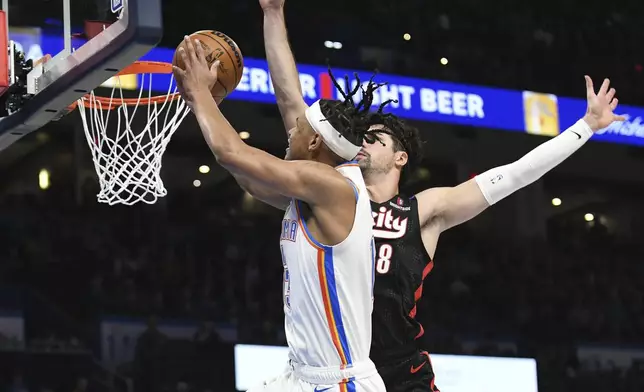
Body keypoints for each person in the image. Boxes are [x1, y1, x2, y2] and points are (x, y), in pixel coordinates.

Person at [257, 1, 626, 391]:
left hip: (399, 372)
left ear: (400, 157)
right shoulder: (333, 193)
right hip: (333, 369)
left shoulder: (424, 210)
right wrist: (273, 13)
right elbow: (290, 103)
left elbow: (516, 175)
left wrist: (585, 126)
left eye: (376, 138)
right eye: (361, 137)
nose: (363, 142)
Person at [173, 37, 386, 392]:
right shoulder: (316, 188)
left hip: (340, 384)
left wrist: (200, 95)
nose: (289, 136)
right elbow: (250, 177)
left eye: (297, 131)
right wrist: (273, 12)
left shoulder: (331, 185)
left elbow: (232, 154)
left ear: (316, 143)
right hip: (303, 375)